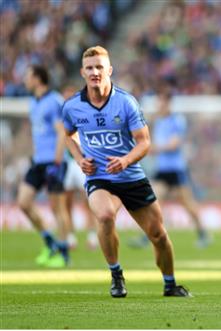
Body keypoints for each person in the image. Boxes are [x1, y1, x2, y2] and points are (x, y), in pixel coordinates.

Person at [62, 45, 191, 298]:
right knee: (105, 215)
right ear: (82, 72)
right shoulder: (72, 107)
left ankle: (170, 283)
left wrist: (125, 160)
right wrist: (79, 158)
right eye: (90, 68)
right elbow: (68, 135)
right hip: (99, 177)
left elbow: (144, 142)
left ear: (109, 70)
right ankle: (116, 274)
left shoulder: (126, 102)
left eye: (99, 67)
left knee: (158, 234)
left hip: (131, 176)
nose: (95, 72)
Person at [128, 88, 210, 249]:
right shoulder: (158, 121)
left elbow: (175, 144)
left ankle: (203, 234)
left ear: (168, 103)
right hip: (162, 170)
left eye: (162, 101)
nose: (160, 105)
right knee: (152, 202)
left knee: (188, 204)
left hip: (176, 169)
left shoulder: (176, 120)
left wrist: (155, 149)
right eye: (158, 101)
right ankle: (147, 236)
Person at [17, 65, 70, 268]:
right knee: (23, 202)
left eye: (28, 76)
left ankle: (64, 253)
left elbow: (61, 133)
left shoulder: (54, 101)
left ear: (38, 79)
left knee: (58, 207)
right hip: (39, 161)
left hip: (54, 162)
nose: (24, 80)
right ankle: (50, 243)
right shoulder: (34, 102)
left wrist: (57, 162)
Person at [62, 85, 99, 250]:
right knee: (66, 202)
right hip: (67, 163)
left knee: (88, 201)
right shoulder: (63, 115)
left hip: (82, 162)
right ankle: (70, 237)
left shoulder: (81, 113)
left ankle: (92, 236)